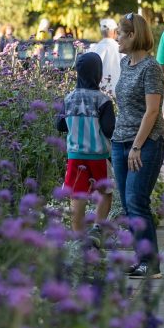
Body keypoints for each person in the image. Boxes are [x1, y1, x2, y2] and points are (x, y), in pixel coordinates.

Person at [112, 13, 164, 279]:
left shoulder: (151, 68)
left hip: (146, 142)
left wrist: (136, 146)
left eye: (120, 34)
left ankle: (150, 262)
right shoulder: (125, 64)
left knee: (137, 199)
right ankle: (141, 258)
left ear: (133, 35)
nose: (117, 38)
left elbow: (153, 111)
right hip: (120, 140)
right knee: (127, 203)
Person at [54, 52, 115, 244]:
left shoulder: (68, 98)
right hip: (99, 155)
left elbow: (60, 126)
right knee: (106, 193)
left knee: (77, 196)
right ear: (98, 74)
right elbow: (109, 129)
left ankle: (78, 237)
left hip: (75, 155)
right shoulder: (103, 100)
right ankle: (97, 228)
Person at [88, 18, 123, 94]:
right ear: (114, 32)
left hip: (98, 94)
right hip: (118, 94)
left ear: (101, 32)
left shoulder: (92, 49)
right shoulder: (121, 49)